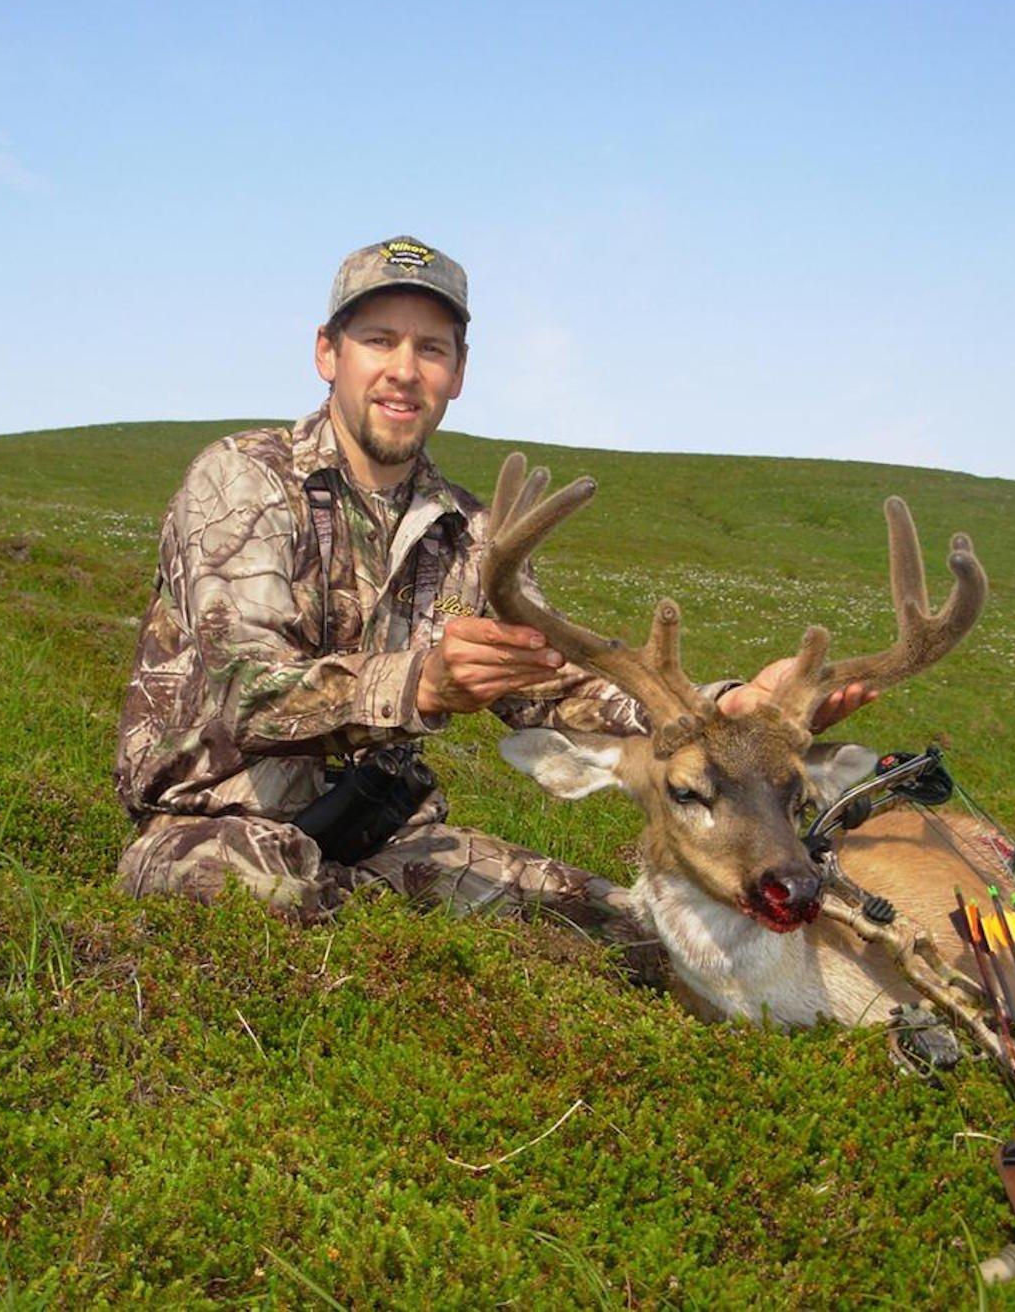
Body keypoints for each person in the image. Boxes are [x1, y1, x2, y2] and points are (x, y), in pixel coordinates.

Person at [114, 236, 871, 984]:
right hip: (218, 829)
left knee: (629, 930)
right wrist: (422, 686)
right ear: (327, 353)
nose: (403, 371)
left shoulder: (476, 538)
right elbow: (241, 691)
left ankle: (383, 929)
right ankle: (391, 948)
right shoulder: (241, 482)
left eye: (431, 349)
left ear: (459, 373)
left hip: (386, 837)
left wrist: (727, 710)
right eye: (378, 341)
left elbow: (561, 692)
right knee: (260, 896)